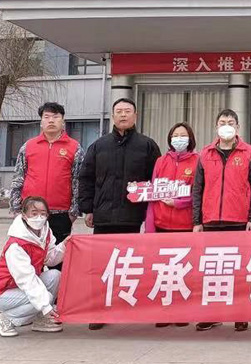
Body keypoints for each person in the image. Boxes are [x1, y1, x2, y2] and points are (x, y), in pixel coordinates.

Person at [79, 97, 161, 330]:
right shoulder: (99, 146)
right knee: (101, 267)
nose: (123, 115)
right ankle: (99, 311)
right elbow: (85, 178)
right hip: (103, 216)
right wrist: (87, 208)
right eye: (119, 111)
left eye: (127, 111)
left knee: (130, 265)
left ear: (135, 115)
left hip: (133, 217)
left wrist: (149, 212)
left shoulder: (147, 146)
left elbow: (156, 181)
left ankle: (128, 307)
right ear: (113, 116)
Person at [192, 108, 251, 333]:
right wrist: (197, 221)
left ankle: (240, 314)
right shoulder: (205, 154)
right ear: (216, 126)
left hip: (238, 220)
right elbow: (197, 189)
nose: (226, 126)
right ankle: (211, 315)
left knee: (238, 271)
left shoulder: (249, 152)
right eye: (222, 122)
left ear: (237, 127)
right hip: (211, 220)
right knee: (212, 271)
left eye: (230, 122)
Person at [9, 102, 83, 269]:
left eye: (56, 117)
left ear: (63, 121)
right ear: (41, 121)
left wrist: (73, 212)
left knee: (59, 262)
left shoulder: (75, 148)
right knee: (29, 262)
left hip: (61, 214)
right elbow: (18, 177)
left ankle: (57, 287)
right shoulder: (28, 146)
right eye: (47, 117)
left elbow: (78, 181)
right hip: (31, 214)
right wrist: (15, 208)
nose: (51, 121)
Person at [143, 122, 198, 329]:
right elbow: (153, 194)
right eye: (175, 135)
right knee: (163, 271)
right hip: (161, 224)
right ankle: (164, 311)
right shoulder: (161, 161)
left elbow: (198, 193)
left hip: (185, 225)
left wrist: (179, 203)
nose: (179, 139)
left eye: (183, 135)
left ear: (190, 138)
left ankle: (182, 312)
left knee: (183, 272)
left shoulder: (197, 161)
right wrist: (150, 227)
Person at [0, 196, 68, 337]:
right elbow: (26, 279)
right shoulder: (16, 245)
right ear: (24, 215)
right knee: (44, 299)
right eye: (34, 213)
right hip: (4, 290)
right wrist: (45, 306)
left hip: (20, 287)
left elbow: (50, 259)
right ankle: (6, 318)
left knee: (55, 275)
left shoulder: (45, 232)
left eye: (43, 213)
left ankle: (40, 320)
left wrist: (64, 246)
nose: (39, 218)